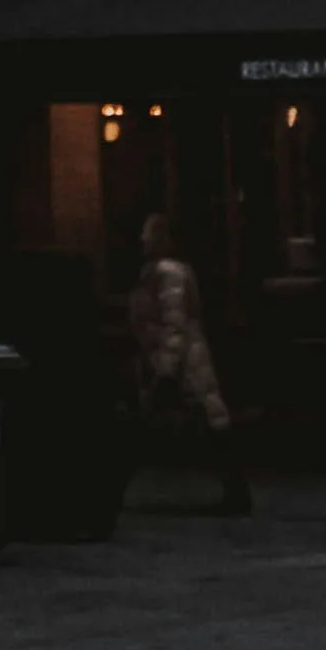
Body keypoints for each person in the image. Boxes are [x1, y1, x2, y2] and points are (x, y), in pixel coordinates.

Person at [128, 207, 252, 513]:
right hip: (181, 363)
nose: (142, 238)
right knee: (209, 426)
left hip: (181, 366)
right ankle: (236, 491)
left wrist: (166, 370)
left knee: (165, 427)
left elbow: (174, 325)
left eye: (147, 232)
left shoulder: (167, 273)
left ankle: (236, 492)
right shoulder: (159, 272)